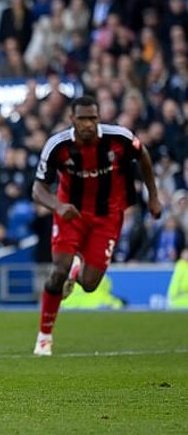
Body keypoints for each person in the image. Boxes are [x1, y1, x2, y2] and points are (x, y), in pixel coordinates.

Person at [32, 95, 162, 356]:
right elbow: (38, 189)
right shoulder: (57, 146)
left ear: (99, 118)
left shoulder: (119, 139)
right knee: (58, 270)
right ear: (72, 119)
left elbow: (143, 155)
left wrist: (154, 196)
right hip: (71, 212)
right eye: (82, 118)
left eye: (93, 118)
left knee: (90, 284)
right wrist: (57, 207)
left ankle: (77, 271)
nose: (88, 124)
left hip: (108, 216)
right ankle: (45, 337)